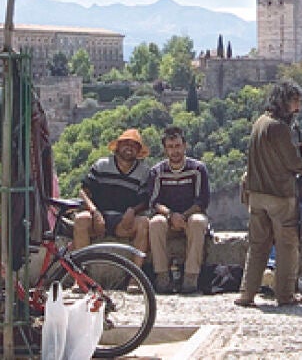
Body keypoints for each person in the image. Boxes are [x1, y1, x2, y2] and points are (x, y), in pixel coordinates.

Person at [235, 80, 302, 308]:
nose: (297, 108)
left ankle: (247, 293)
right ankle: (285, 295)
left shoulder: (259, 123)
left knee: (258, 246)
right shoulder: (279, 128)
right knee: (287, 245)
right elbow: (293, 163)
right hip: (279, 195)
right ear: (284, 101)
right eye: (294, 102)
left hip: (256, 195)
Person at [74, 128, 151, 267]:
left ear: (139, 151)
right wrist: (94, 212)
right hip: (98, 218)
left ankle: (135, 275)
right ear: (118, 146)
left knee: (144, 223)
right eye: (126, 144)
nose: (129, 148)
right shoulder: (102, 165)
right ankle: (81, 272)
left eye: (134, 145)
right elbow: (83, 192)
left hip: (124, 221)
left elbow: (145, 200)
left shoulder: (143, 172)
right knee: (80, 220)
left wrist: (133, 211)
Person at [148, 126, 211, 294]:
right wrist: (170, 215)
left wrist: (183, 216)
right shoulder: (157, 172)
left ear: (185, 146)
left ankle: (191, 278)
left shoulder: (197, 169)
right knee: (155, 223)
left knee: (198, 221)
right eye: (170, 147)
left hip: (190, 216)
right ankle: (162, 276)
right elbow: (153, 202)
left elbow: (202, 201)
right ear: (165, 149)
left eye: (177, 146)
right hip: (168, 218)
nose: (174, 151)